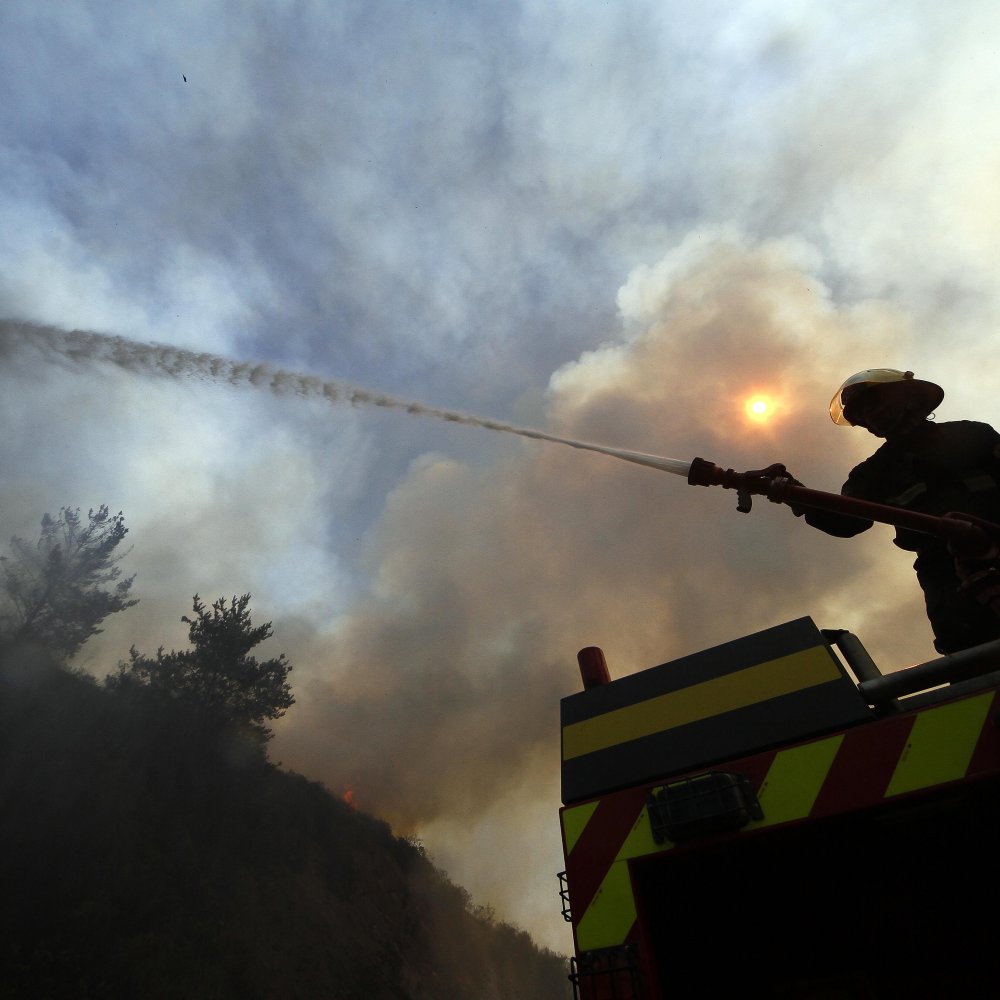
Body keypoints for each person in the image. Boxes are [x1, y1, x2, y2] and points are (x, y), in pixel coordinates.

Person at [790, 369, 1000, 655]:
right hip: (947, 580)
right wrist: (795, 496)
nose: (869, 416)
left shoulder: (972, 435)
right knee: (972, 660)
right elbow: (846, 521)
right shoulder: (873, 473)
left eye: (873, 403)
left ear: (909, 396)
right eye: (861, 415)